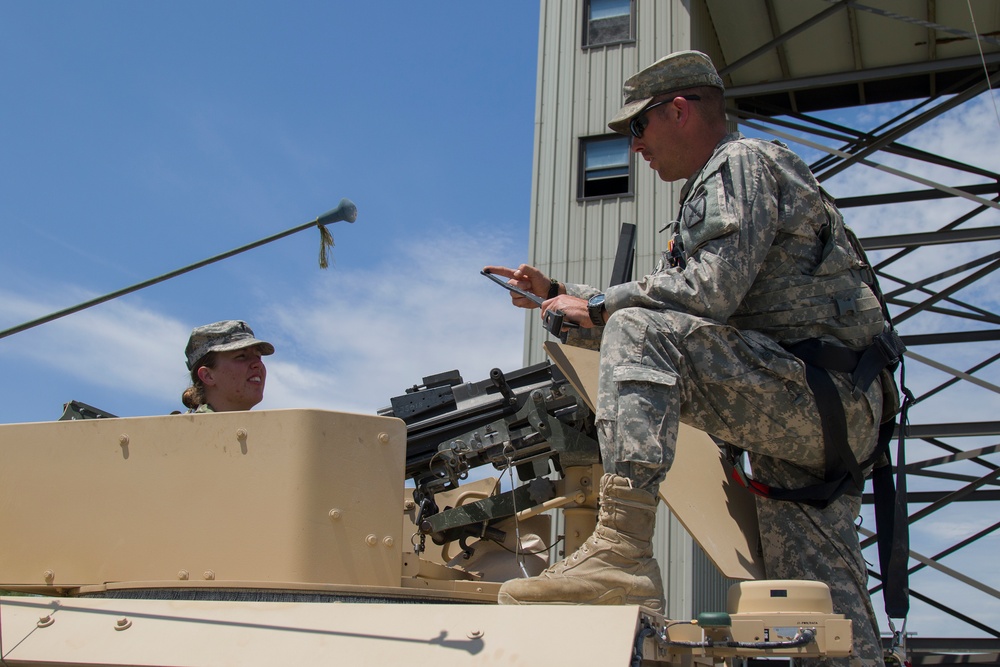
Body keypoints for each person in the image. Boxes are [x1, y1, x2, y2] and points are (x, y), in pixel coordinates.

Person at [486, 51, 894, 667]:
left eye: (637, 128)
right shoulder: (725, 184)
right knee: (818, 614)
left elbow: (703, 296)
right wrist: (556, 300)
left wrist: (597, 306)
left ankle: (623, 550)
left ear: (677, 110)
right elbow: (674, 317)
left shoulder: (740, 163)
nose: (634, 148)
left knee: (637, 326)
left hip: (817, 393)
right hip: (818, 411)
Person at [181, 320, 274, 413]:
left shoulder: (269, 426)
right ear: (207, 375)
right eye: (241, 356)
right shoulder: (189, 427)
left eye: (258, 356)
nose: (258, 364)